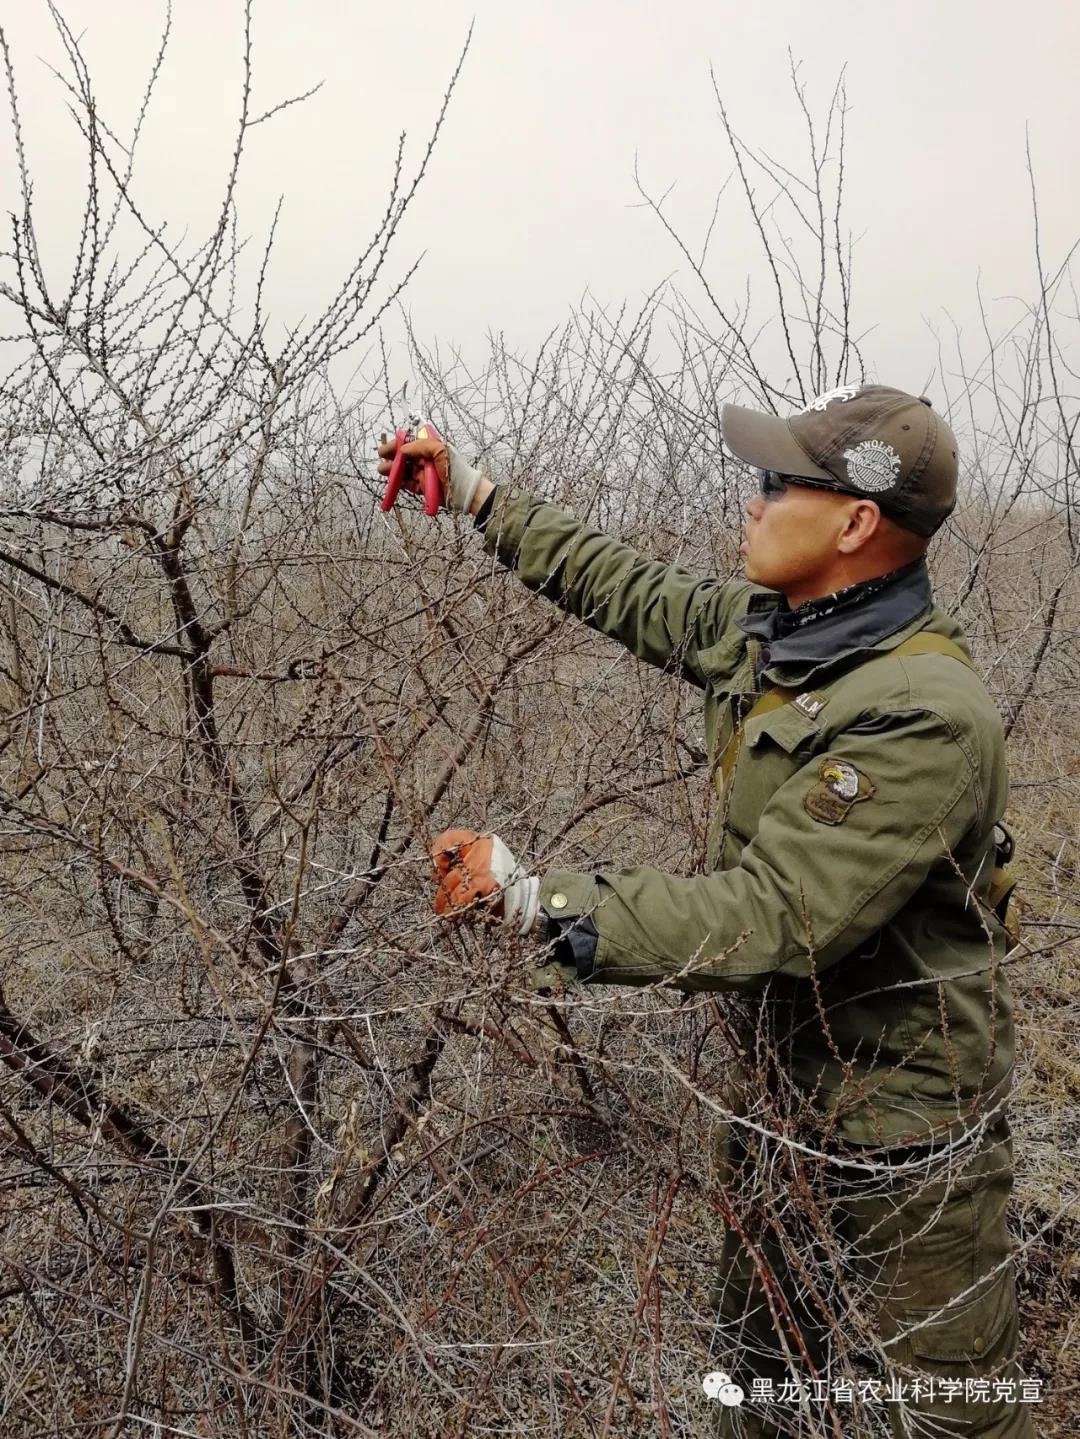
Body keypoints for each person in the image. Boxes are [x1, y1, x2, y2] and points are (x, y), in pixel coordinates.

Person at [377, 384, 1032, 1438]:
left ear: (856, 523)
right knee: (759, 1384)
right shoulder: (783, 630)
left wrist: (533, 899)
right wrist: (475, 493)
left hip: (906, 1148)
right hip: (781, 1104)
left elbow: (775, 914)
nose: (753, 500)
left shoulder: (923, 714)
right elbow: (625, 585)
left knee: (952, 1416)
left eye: (778, 482)